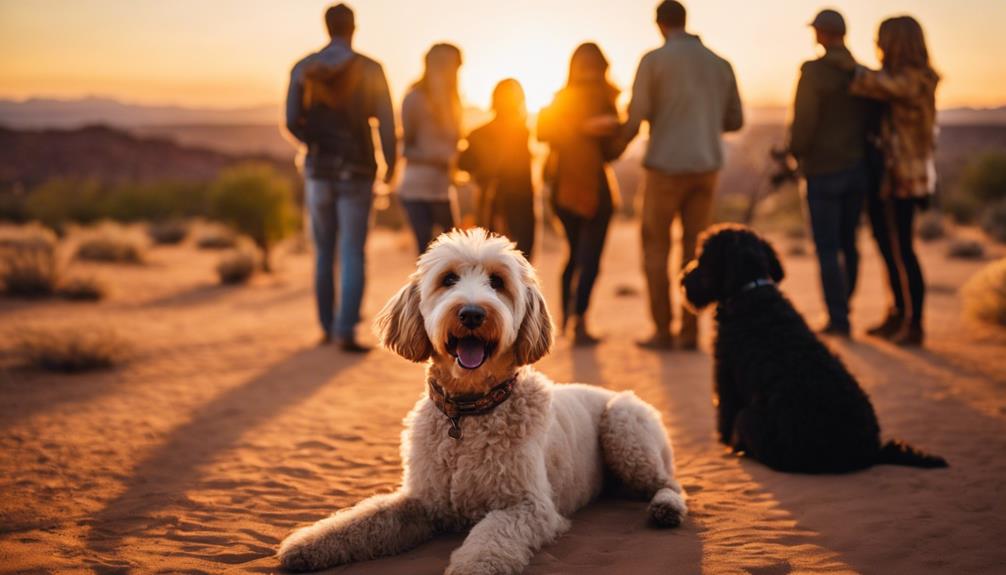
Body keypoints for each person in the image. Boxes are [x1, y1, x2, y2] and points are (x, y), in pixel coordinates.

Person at [622, 0, 744, 350]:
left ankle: (663, 331)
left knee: (656, 249)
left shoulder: (654, 60)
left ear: (659, 24)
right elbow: (735, 120)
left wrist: (612, 148)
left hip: (664, 167)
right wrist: (702, 120)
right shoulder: (720, 63)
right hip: (706, 167)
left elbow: (636, 116)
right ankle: (691, 332)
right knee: (695, 251)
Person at [285, 3, 396, 352]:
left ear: (327, 27)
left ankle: (326, 326)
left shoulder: (304, 68)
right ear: (353, 28)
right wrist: (390, 167)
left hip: (318, 170)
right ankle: (345, 330)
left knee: (324, 251)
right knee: (352, 251)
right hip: (358, 170)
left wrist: (314, 146)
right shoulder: (371, 69)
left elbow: (290, 120)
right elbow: (388, 124)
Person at [851, 16, 939, 346]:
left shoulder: (916, 80)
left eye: (882, 39)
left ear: (897, 42)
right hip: (885, 174)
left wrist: (845, 64)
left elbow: (867, 83)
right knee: (887, 245)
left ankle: (914, 323)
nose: (877, 45)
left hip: (906, 175)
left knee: (903, 248)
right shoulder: (900, 78)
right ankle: (897, 312)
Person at [788, 9, 872, 337]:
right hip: (857, 168)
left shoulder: (814, 73)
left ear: (821, 33)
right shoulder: (862, 73)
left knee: (826, 246)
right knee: (849, 242)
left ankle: (838, 318)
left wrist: (795, 152)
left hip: (823, 170)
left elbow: (803, 122)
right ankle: (844, 307)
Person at [538, 43, 621, 346]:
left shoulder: (593, 99)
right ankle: (575, 320)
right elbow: (543, 131)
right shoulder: (580, 100)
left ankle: (570, 319)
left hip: (577, 187)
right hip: (577, 188)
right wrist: (587, 128)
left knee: (578, 256)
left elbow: (611, 150)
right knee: (585, 256)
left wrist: (612, 128)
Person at [458, 79, 536, 258]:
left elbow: (462, 163)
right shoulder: (521, 132)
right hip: (517, 204)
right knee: (521, 262)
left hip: (490, 203)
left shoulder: (479, 134)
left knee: (490, 261)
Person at [398, 43, 463, 254]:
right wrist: (436, 158)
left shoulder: (454, 101)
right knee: (427, 257)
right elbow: (405, 149)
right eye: (454, 66)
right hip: (417, 189)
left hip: (443, 189)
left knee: (455, 253)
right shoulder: (414, 99)